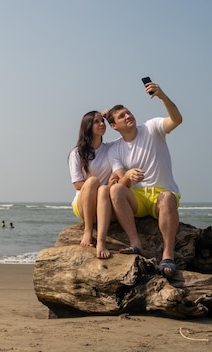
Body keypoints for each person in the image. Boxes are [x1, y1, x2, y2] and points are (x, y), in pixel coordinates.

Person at [104, 80, 182, 276]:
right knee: (115, 189)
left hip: (162, 195)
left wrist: (163, 96)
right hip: (138, 199)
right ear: (114, 126)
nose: (128, 116)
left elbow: (177, 119)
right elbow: (121, 185)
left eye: (128, 112)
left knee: (167, 198)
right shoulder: (115, 149)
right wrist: (128, 175)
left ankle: (168, 255)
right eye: (121, 116)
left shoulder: (152, 127)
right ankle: (135, 243)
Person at [68, 111, 116, 259]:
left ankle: (101, 241)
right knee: (94, 181)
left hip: (105, 204)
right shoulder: (77, 153)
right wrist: (96, 186)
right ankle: (88, 231)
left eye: (103, 121)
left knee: (103, 189)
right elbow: (77, 184)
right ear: (88, 126)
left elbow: (126, 134)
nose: (102, 124)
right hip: (84, 204)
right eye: (97, 121)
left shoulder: (111, 149)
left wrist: (110, 116)